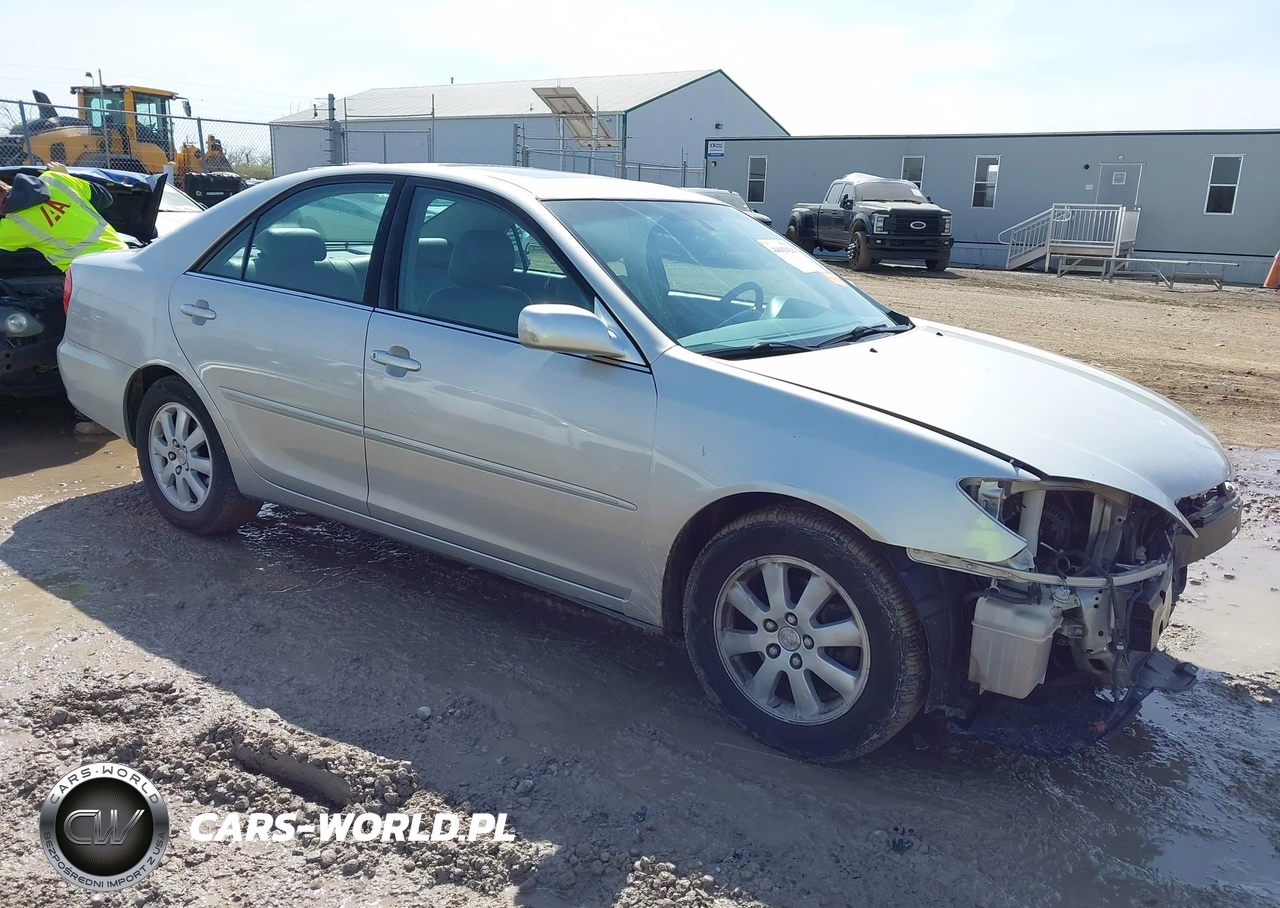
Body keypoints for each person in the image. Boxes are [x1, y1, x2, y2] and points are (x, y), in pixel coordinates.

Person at [0, 163, 129, 435]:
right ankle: (126, 411)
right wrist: (68, 176)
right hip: (123, 264)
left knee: (87, 349)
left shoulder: (15, 225)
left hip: (87, 279)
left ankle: (100, 418)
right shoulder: (57, 180)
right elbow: (105, 197)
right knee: (120, 345)